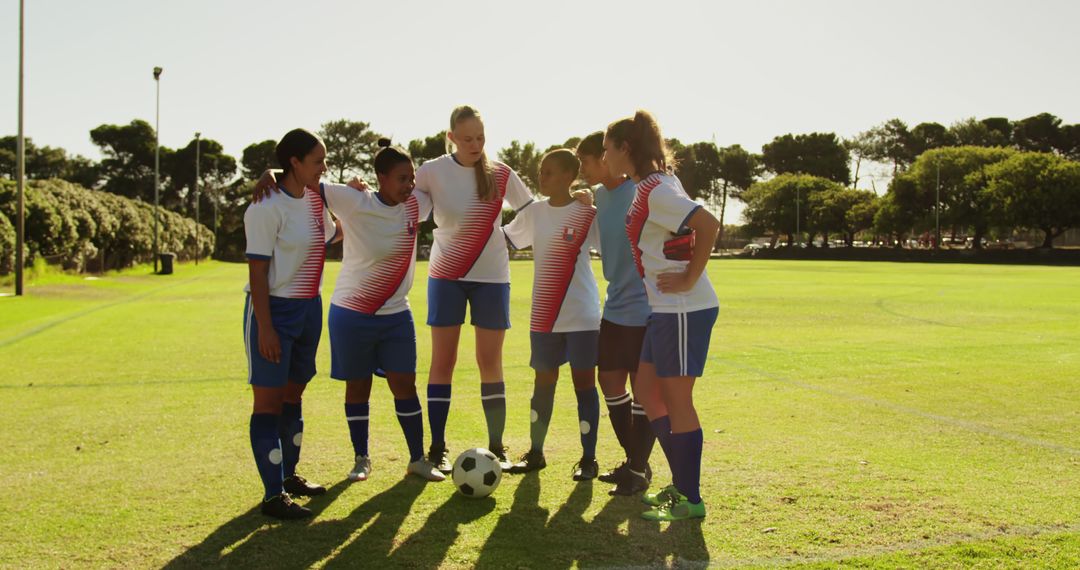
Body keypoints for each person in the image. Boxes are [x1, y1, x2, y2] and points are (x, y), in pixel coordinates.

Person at [603, 111, 721, 521]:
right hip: (663, 310)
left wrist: (690, 276)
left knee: (677, 400)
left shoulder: (657, 189)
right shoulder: (654, 184)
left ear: (626, 149)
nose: (604, 157)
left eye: (607, 149)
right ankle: (681, 485)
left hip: (683, 309)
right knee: (650, 395)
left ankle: (690, 497)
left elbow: (707, 224)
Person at [415, 106, 536, 472]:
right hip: (445, 277)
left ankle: (497, 447)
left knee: (490, 362)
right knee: (443, 362)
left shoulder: (501, 173)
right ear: (451, 137)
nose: (475, 144)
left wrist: (508, 239)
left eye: (480, 138)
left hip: (492, 278)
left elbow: (531, 211)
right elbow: (408, 209)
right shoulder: (432, 171)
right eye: (467, 138)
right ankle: (437, 448)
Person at [320, 140, 446, 483]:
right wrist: (272, 176)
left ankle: (417, 459)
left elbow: (451, 173)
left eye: (412, 178)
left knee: (405, 384)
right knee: (358, 388)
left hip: (396, 316)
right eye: (402, 179)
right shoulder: (354, 201)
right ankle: (361, 458)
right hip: (351, 314)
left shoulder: (415, 205)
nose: (410, 186)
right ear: (380, 178)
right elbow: (303, 182)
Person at [243, 128, 340, 519]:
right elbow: (256, 273)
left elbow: (336, 233)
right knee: (267, 403)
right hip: (274, 312)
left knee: (294, 395)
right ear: (295, 163)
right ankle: (272, 496)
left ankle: (288, 476)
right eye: (318, 161)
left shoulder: (316, 199)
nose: (324, 168)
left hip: (309, 309)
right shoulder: (265, 207)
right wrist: (265, 328)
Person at [501, 149, 602, 481]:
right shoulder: (535, 214)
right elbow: (504, 239)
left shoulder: (588, 212)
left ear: (569, 177)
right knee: (543, 384)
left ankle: (588, 459)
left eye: (548, 172)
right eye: (540, 172)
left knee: (584, 385)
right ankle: (536, 453)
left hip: (583, 316)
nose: (541, 177)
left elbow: (616, 244)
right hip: (544, 317)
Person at [576, 131, 657, 495]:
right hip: (614, 306)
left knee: (644, 392)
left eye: (587, 161)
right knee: (609, 381)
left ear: (606, 158)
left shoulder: (640, 190)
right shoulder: (598, 196)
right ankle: (636, 462)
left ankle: (637, 470)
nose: (582, 169)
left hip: (645, 308)